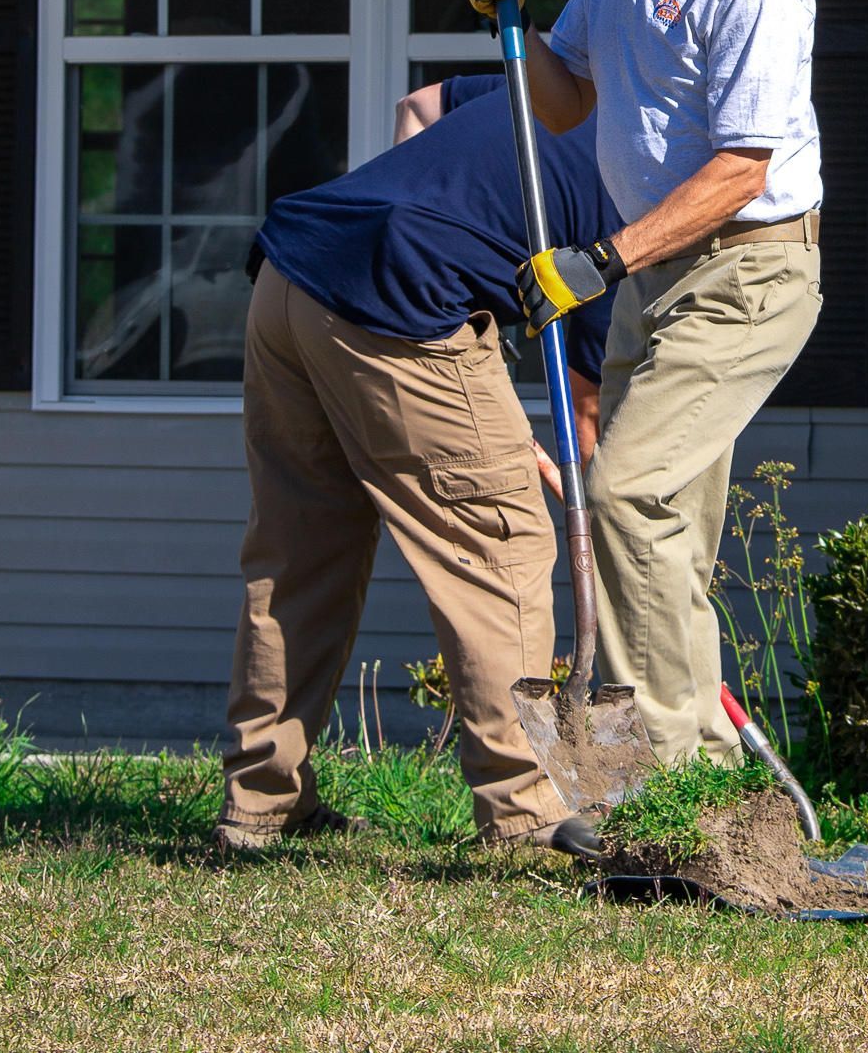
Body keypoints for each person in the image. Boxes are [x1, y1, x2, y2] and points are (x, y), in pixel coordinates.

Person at [464, 0, 823, 765]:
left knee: (624, 491)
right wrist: (512, 21)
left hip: (746, 272)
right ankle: (670, 764)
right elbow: (568, 95)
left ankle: (664, 770)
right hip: (653, 274)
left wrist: (599, 260)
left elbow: (742, 168)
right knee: (655, 530)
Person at [218, 73, 612, 853]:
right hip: (403, 299)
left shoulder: (560, 87)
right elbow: (585, 413)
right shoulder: (637, 194)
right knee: (503, 546)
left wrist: (418, 220)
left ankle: (261, 804)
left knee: (299, 553)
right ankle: (526, 810)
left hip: (295, 271)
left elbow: (417, 107)